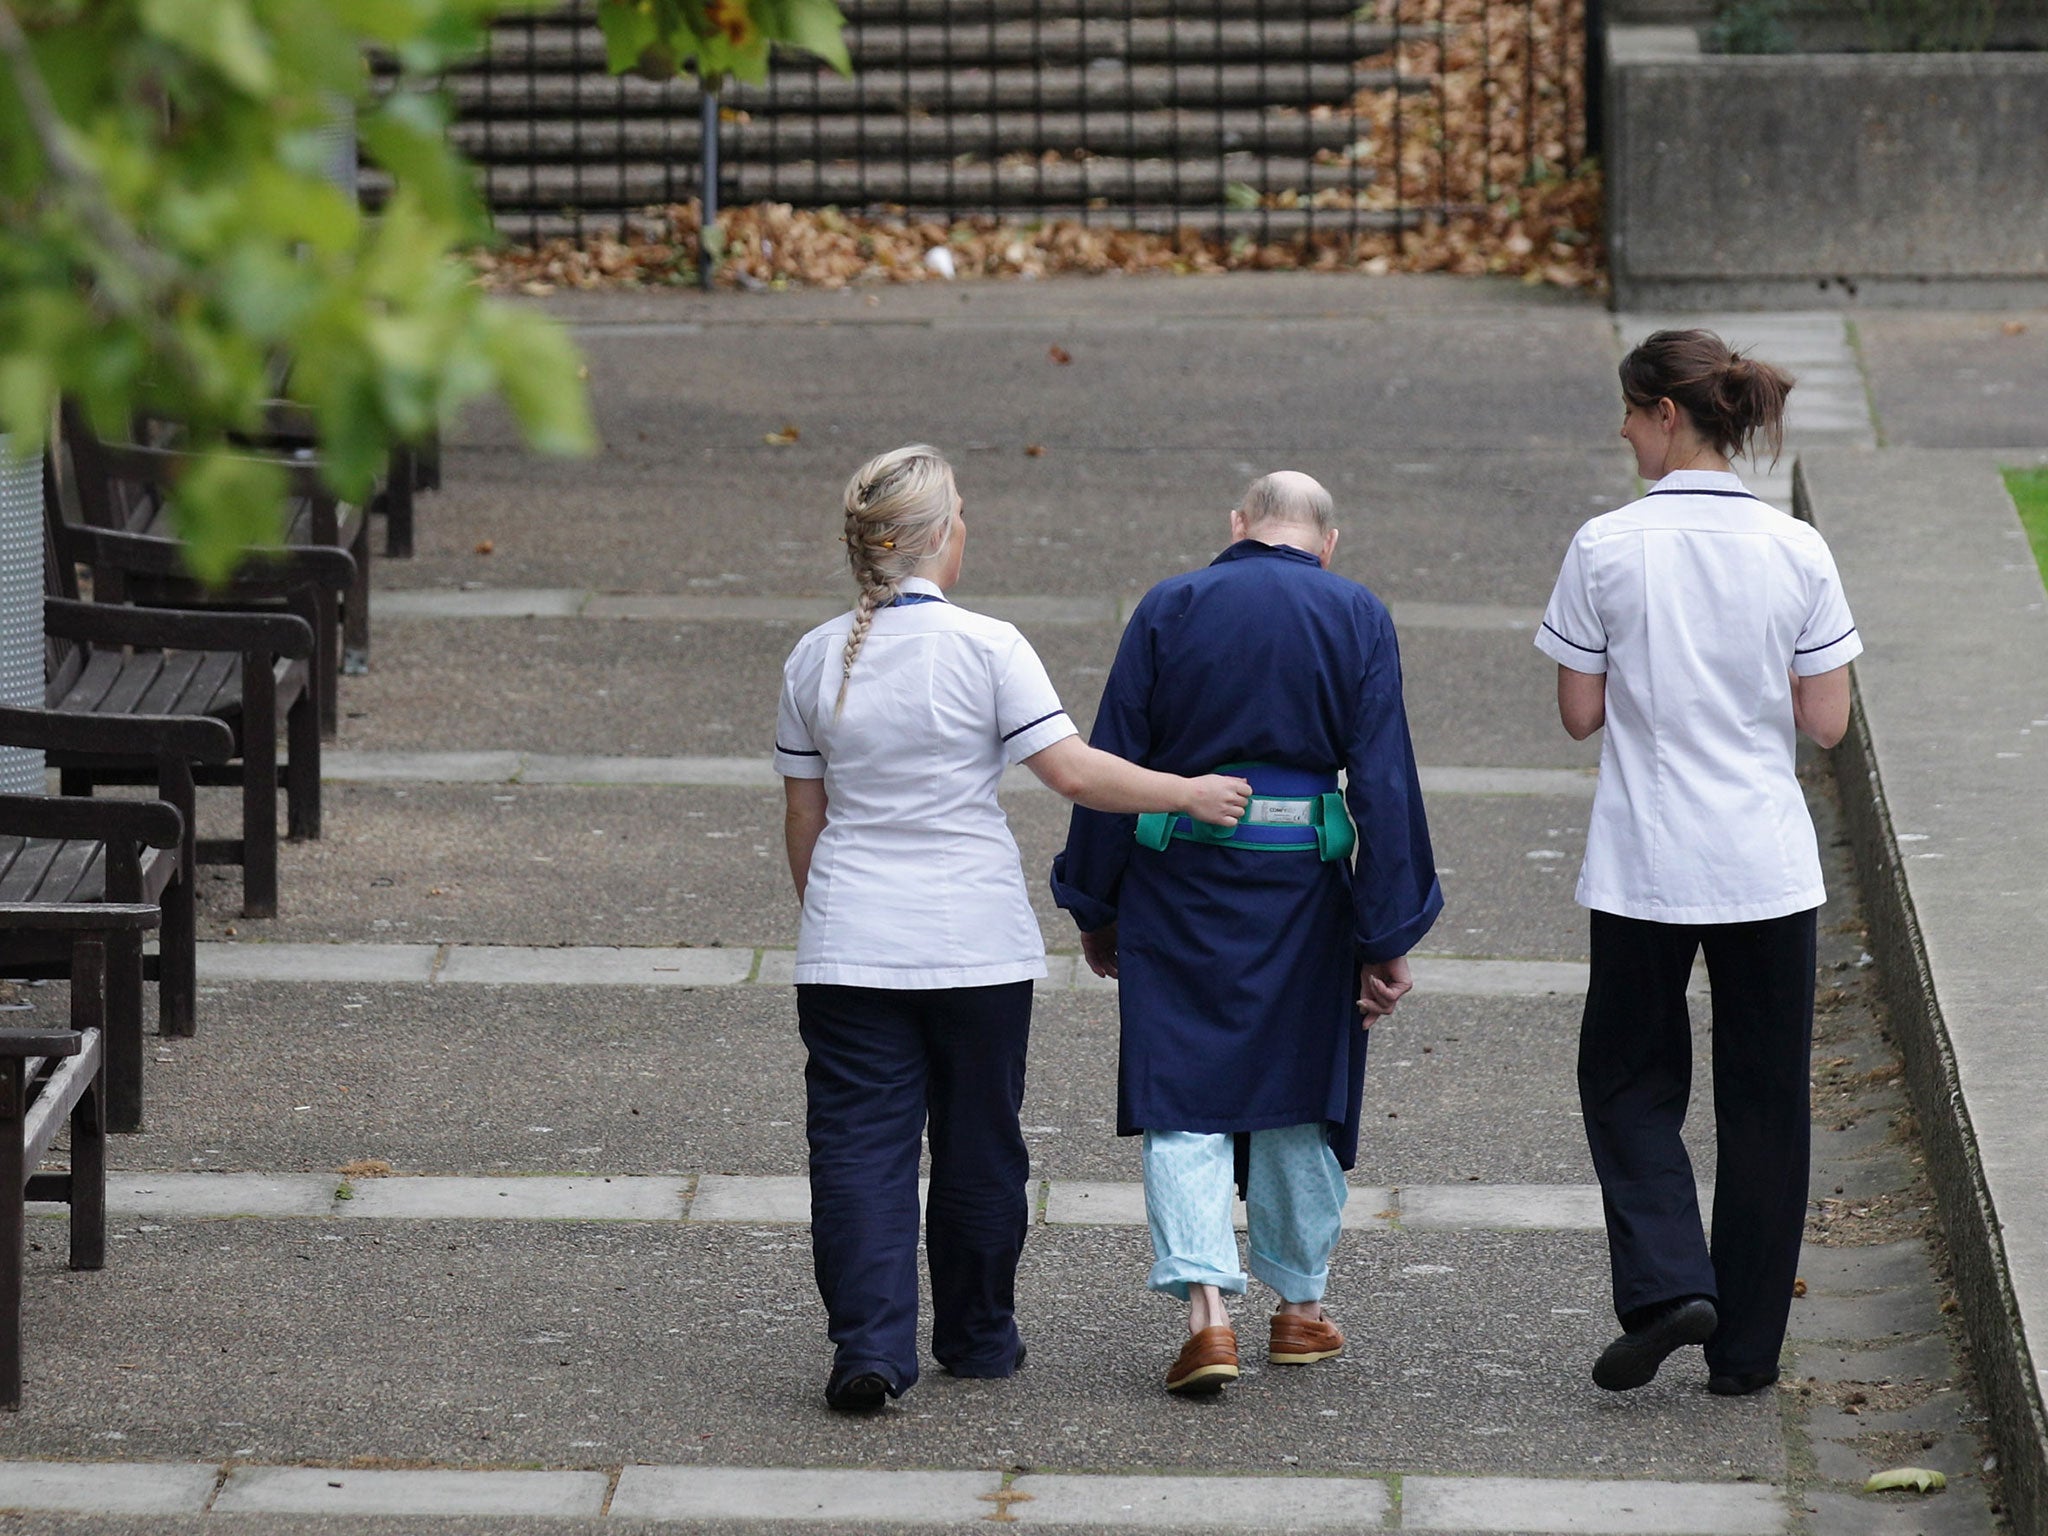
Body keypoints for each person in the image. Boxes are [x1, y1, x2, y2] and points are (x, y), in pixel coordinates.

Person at [775, 444, 1252, 1413]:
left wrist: (826, 916)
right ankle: (977, 1334)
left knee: (858, 1151)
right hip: (973, 947)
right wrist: (1188, 792)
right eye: (961, 521)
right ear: (941, 539)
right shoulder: (988, 647)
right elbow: (1074, 774)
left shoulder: (813, 657)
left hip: (848, 944)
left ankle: (866, 1348)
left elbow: (804, 819)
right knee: (978, 1144)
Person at [1051, 470, 1443, 1396]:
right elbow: (1383, 780)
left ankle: (1208, 1318)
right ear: (1327, 542)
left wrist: (1096, 903)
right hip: (1303, 894)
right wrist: (1387, 933)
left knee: (1182, 1092)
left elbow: (1113, 754)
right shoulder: (1356, 615)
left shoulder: (1170, 605)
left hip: (1179, 885)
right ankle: (1301, 1310)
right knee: (1300, 1095)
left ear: (1237, 525)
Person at [1535, 329, 1860, 1397]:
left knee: (1626, 1080)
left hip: (1644, 858)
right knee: (1765, 1102)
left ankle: (1671, 1277)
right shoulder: (1796, 549)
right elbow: (1823, 722)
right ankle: (1746, 1353)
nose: (1626, 434)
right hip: (1765, 863)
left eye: (1630, 415)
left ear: (1664, 415)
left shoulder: (1603, 546)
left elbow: (1579, 714)